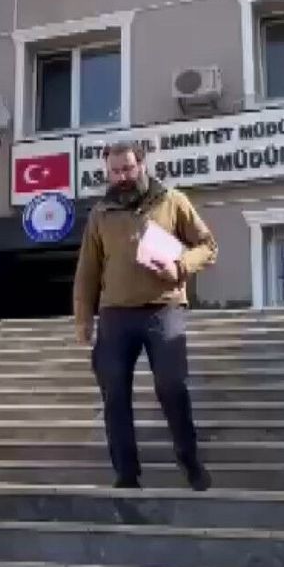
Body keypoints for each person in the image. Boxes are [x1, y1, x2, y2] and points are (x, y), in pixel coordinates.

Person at [72, 139, 218, 492]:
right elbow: (88, 271)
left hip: (163, 309)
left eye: (128, 168)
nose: (122, 176)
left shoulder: (172, 201)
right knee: (114, 393)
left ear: (142, 164)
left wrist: (180, 266)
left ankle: (189, 460)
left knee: (172, 385)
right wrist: (83, 318)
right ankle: (126, 474)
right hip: (115, 315)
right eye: (115, 171)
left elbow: (208, 247)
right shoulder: (100, 214)